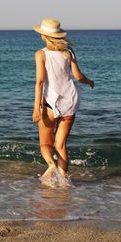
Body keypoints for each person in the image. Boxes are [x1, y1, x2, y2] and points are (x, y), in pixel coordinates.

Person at [31, 18, 94, 187]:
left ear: (44, 36)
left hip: (51, 103)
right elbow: (78, 76)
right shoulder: (69, 51)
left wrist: (37, 106)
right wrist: (89, 82)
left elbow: (39, 82)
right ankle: (64, 181)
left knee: (45, 143)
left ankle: (51, 166)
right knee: (61, 145)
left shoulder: (41, 54)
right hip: (70, 101)